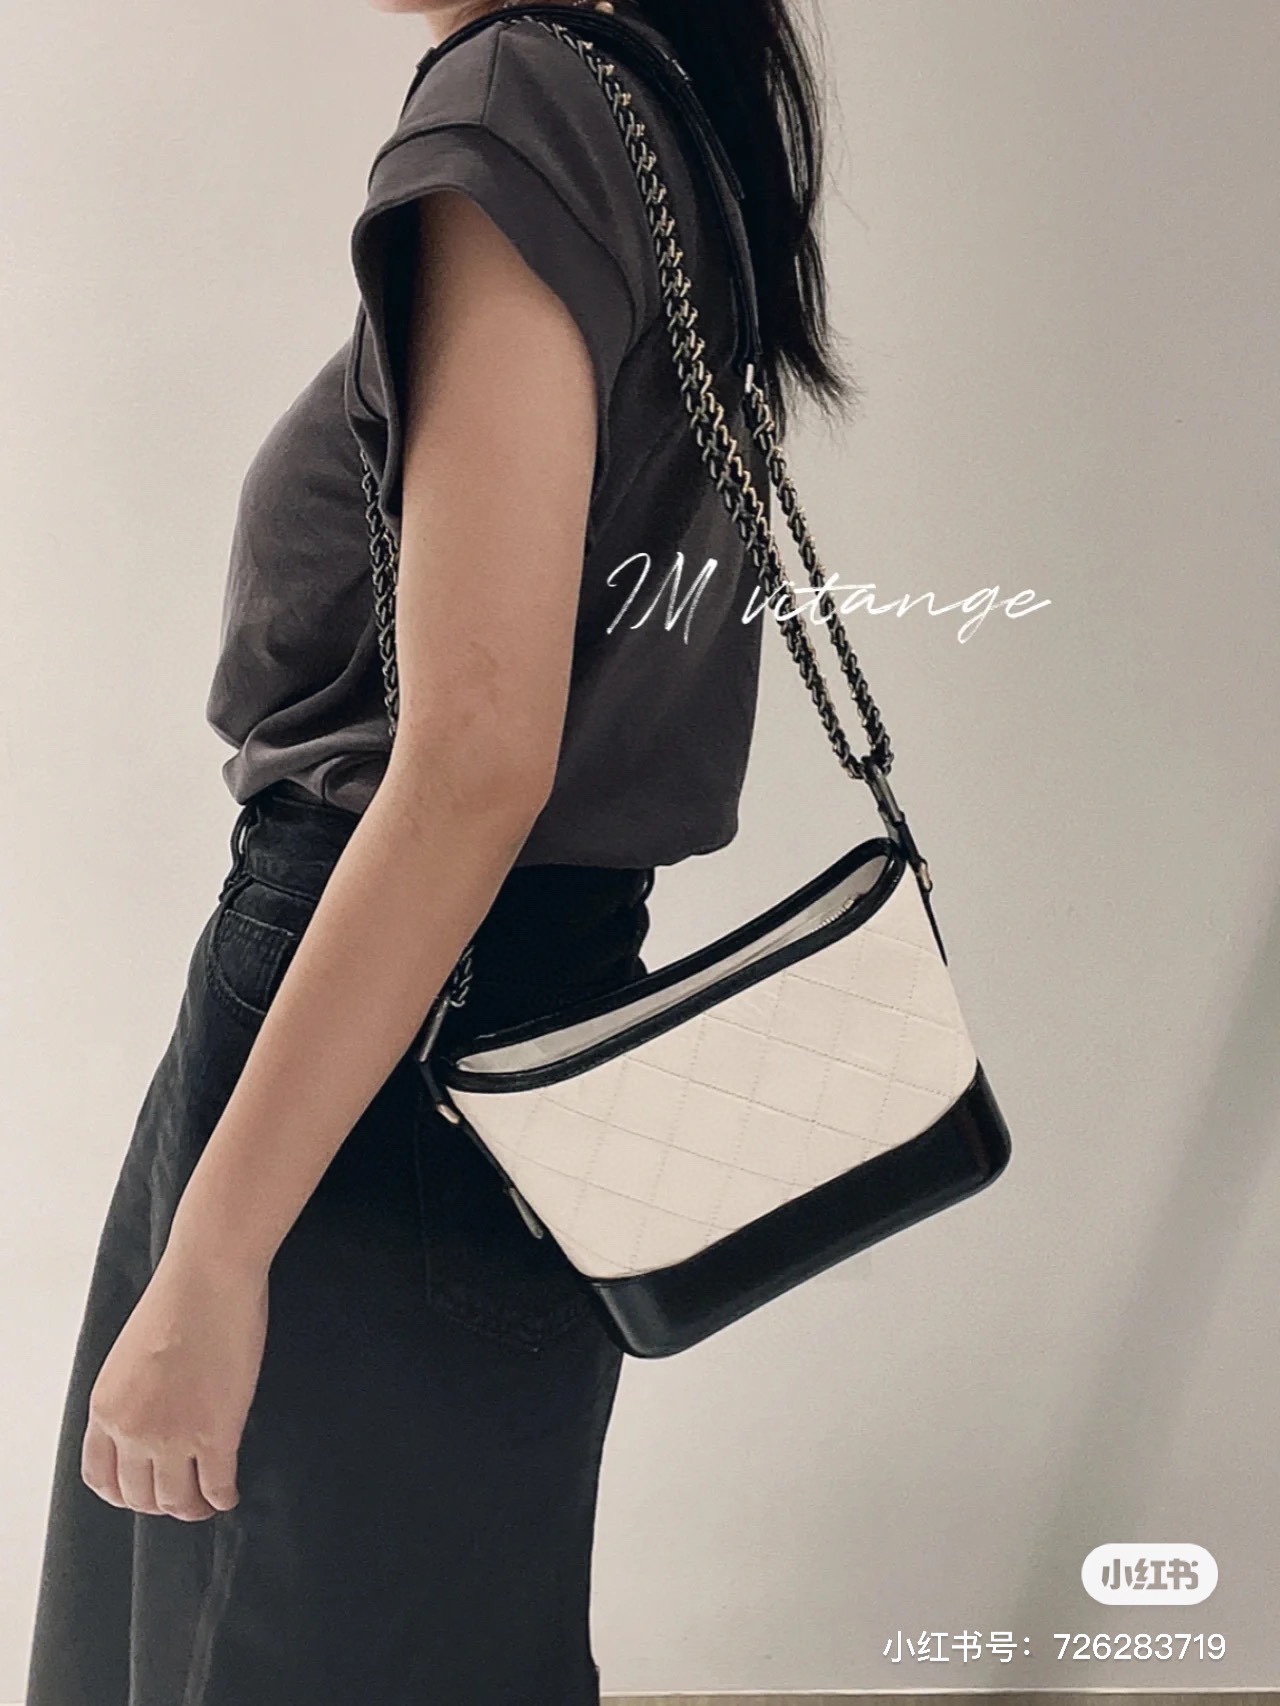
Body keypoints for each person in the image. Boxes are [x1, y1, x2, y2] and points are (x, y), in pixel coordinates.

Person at [23, 0, 855, 1700]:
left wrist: (218, 1251)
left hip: (375, 1060)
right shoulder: (655, 111)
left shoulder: (519, 100)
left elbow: (474, 759)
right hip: (521, 1031)